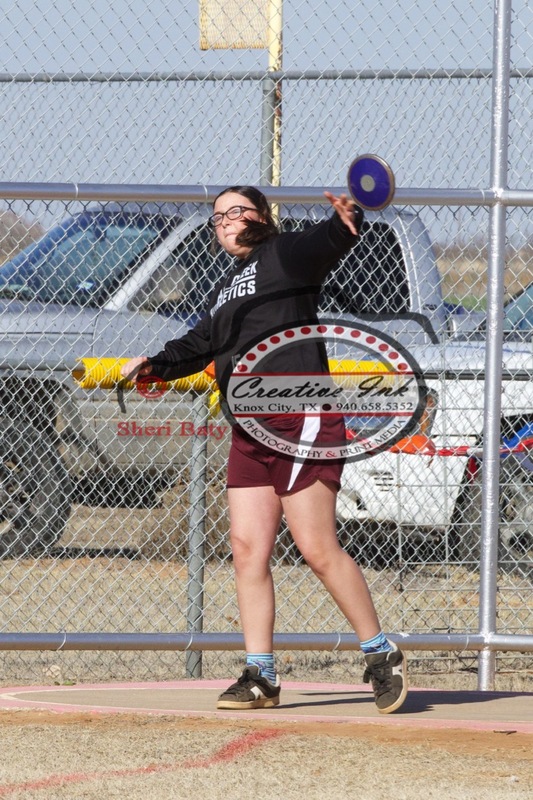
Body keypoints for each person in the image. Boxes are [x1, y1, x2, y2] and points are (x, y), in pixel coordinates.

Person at [120, 186, 408, 714]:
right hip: (250, 427)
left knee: (317, 549)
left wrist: (344, 221)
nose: (226, 220)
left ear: (262, 217)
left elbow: (321, 245)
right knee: (248, 550)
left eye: (238, 210)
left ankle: (380, 653)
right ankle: (262, 676)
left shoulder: (283, 255)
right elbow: (201, 342)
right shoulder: (229, 285)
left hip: (301, 416)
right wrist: (155, 365)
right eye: (217, 217)